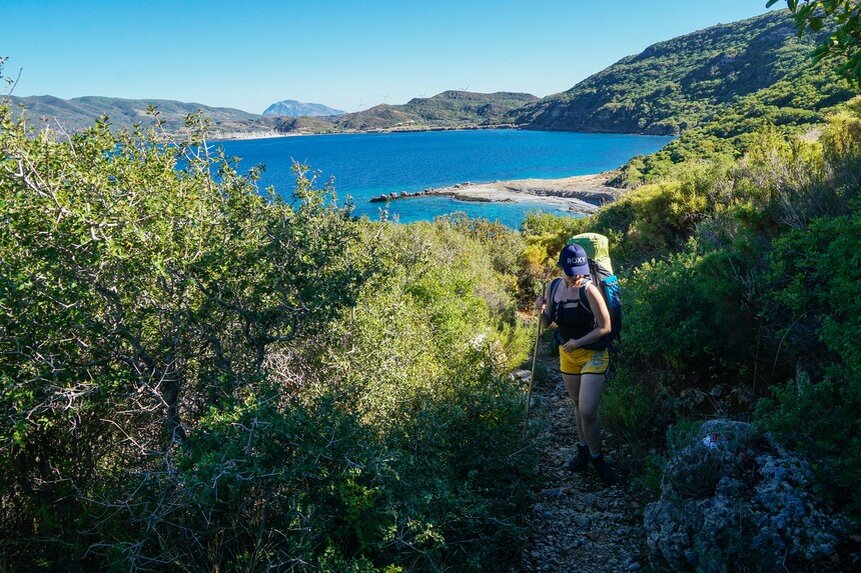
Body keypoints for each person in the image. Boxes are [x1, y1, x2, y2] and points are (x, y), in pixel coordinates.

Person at [536, 243, 616, 486]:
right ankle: (583, 451)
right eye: (571, 272)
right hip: (568, 354)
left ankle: (598, 459)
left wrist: (578, 342)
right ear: (561, 269)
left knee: (587, 411)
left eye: (580, 271)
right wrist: (540, 309)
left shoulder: (590, 290)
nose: (576, 276)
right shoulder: (553, 287)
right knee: (576, 405)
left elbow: (605, 327)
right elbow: (545, 324)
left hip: (592, 354)